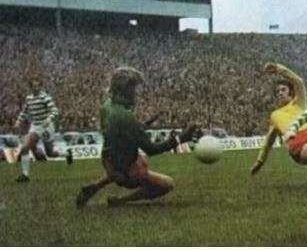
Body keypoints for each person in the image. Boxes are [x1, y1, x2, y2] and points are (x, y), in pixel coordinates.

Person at [75, 67, 198, 208]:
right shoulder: (126, 117)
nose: (135, 92)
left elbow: (117, 133)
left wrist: (143, 125)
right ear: (124, 89)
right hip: (125, 171)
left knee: (137, 161)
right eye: (133, 88)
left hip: (109, 159)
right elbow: (152, 149)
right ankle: (121, 200)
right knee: (167, 184)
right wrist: (181, 139)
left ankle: (96, 186)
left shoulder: (107, 106)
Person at [13, 74, 68, 182]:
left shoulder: (45, 97)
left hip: (46, 127)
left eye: (38, 86)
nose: (36, 88)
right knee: (25, 147)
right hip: (35, 126)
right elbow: (25, 111)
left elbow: (55, 111)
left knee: (50, 153)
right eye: (34, 86)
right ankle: (25, 175)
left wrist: (48, 119)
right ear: (31, 87)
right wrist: (18, 121)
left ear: (40, 86)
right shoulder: (28, 98)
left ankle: (66, 153)